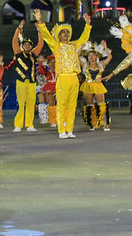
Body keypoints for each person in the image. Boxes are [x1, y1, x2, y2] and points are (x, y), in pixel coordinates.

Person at [34, 8, 92, 139]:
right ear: (59, 36)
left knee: (72, 104)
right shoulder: (56, 46)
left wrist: (87, 25)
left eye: (67, 32)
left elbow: (83, 39)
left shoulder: (74, 45)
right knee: (62, 104)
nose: (65, 34)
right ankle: (61, 130)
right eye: (63, 32)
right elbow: (47, 36)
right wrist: (40, 21)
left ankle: (69, 129)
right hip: (63, 78)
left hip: (74, 77)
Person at [8, 20, 44, 132]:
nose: (27, 46)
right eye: (25, 44)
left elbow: (41, 44)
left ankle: (30, 124)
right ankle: (18, 125)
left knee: (31, 104)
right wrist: (19, 28)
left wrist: (39, 31)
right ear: (22, 45)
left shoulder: (34, 54)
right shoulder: (18, 53)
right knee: (21, 103)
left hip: (32, 82)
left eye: (29, 45)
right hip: (21, 82)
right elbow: (14, 41)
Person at [79, 41, 113, 131]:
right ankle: (91, 123)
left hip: (98, 86)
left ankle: (105, 123)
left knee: (101, 105)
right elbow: (76, 57)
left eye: (93, 55)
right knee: (90, 105)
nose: (91, 57)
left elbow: (109, 57)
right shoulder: (85, 65)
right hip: (88, 86)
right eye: (89, 55)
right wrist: (81, 47)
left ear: (96, 56)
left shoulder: (101, 65)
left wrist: (105, 47)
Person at [36, 55, 57, 127]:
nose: (53, 64)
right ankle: (44, 117)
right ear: (48, 64)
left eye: (54, 62)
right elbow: (41, 70)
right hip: (48, 86)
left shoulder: (59, 71)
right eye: (51, 63)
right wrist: (40, 62)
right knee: (41, 96)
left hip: (57, 86)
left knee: (51, 101)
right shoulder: (47, 71)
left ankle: (54, 120)